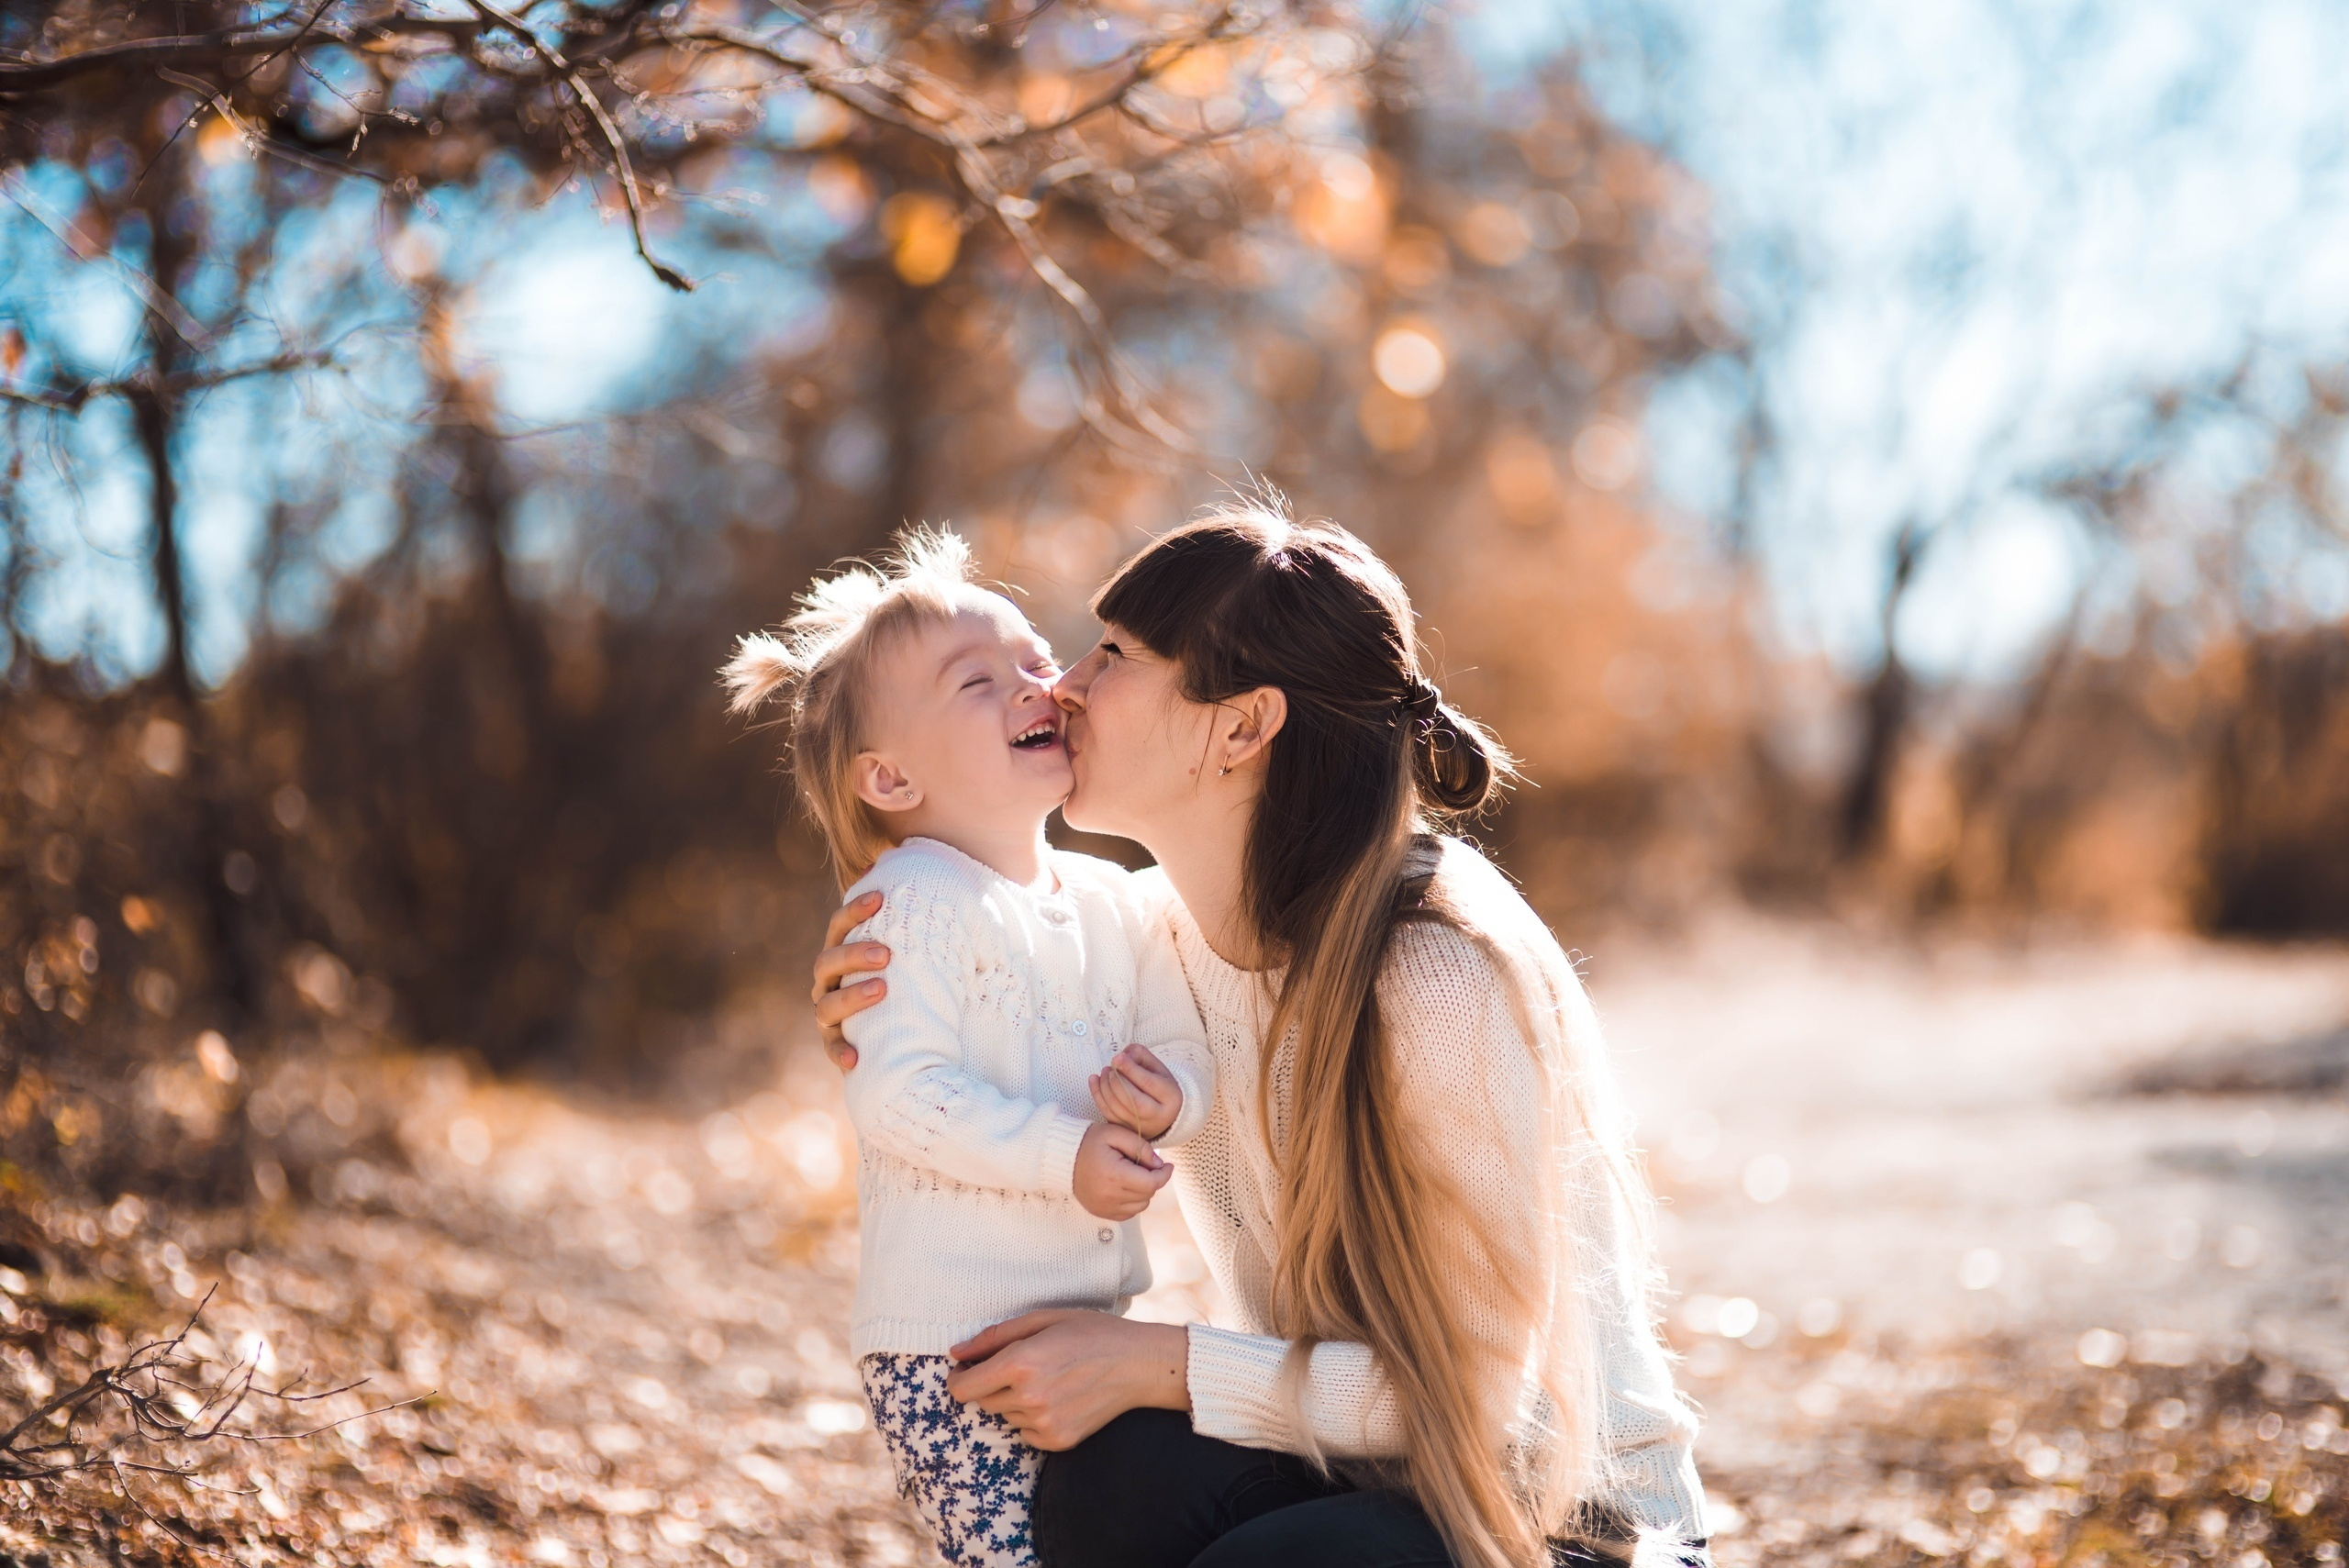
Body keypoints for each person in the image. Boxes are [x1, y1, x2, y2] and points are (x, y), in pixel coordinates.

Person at [810, 503, 1711, 1568]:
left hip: (1564, 1522)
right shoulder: (1154, 935)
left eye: (1113, 656)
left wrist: (1168, 1364)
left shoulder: (1433, 966)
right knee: (1111, 1482)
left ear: (1239, 728)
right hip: (1357, 1476)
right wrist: (875, 993)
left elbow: (1484, 1403)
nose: (1064, 687)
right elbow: (995, 969)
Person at [722, 529, 1215, 1567]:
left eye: (1036, 658)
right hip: (948, 1350)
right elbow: (898, 1097)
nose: (1037, 684)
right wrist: (1062, 1155)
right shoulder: (908, 902)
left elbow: (1182, 1026)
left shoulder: (1112, 899)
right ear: (891, 779)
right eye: (977, 681)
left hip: (1094, 1327)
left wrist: (1172, 1094)